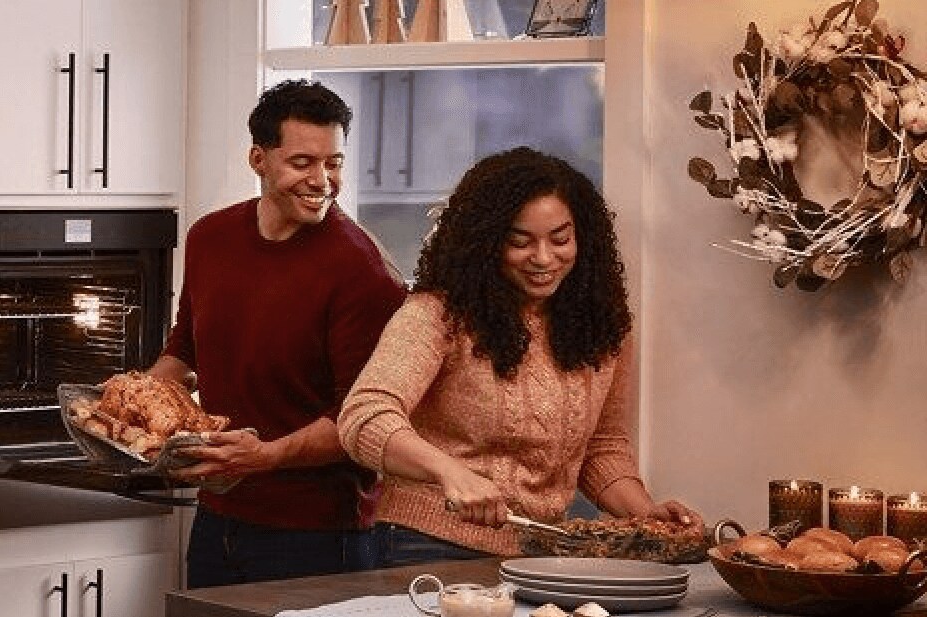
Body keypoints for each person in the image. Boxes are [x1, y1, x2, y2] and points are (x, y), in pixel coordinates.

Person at [337, 147, 699, 567]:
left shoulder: (605, 328)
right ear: (486, 242)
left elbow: (602, 449)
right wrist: (450, 474)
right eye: (520, 242)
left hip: (541, 555)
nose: (544, 259)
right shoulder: (438, 316)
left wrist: (646, 514)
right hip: (426, 544)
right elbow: (365, 417)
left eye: (560, 239)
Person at [148, 79, 406, 588]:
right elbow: (184, 351)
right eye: (302, 162)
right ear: (258, 159)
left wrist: (263, 457)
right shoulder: (209, 238)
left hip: (318, 536)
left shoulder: (361, 270)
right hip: (217, 518)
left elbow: (360, 420)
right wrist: (125, 408)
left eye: (333, 162)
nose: (323, 181)